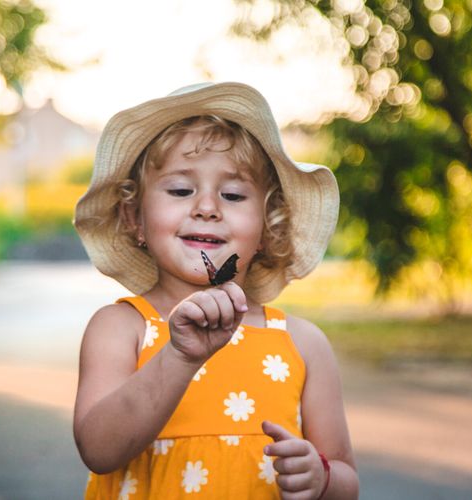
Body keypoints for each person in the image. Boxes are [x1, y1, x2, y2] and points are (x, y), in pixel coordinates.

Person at [73, 82, 358, 499]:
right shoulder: (121, 328)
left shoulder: (302, 344)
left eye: (233, 195)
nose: (207, 207)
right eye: (180, 190)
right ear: (134, 217)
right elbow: (98, 450)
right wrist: (179, 356)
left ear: (268, 227)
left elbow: (347, 478)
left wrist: (321, 477)